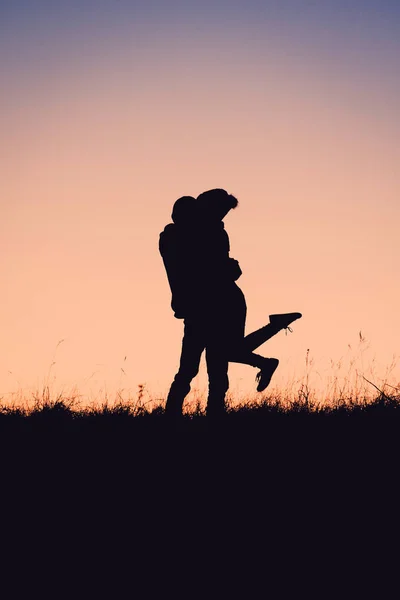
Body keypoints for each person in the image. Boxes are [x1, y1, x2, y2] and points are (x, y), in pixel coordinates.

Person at [159, 190, 301, 417]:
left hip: (222, 303)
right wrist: (226, 268)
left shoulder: (208, 232)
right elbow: (204, 266)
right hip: (205, 305)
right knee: (210, 362)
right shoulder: (186, 235)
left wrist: (226, 268)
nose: (222, 217)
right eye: (219, 212)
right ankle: (271, 340)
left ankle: (198, 416)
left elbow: (216, 268)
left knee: (213, 365)